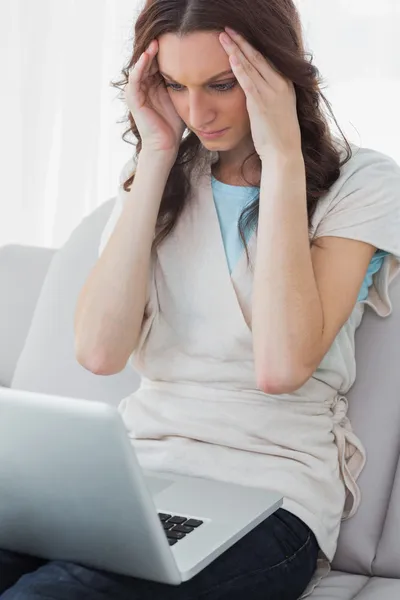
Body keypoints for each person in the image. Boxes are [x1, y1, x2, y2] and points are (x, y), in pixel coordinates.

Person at [2, 0, 400, 598]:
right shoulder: (162, 173)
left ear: (278, 73)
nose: (196, 112)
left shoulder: (362, 182)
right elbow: (100, 352)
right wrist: (157, 154)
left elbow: (282, 366)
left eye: (221, 84)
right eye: (175, 85)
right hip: (138, 480)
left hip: (274, 496)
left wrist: (283, 158)